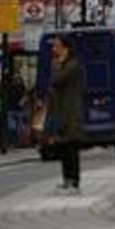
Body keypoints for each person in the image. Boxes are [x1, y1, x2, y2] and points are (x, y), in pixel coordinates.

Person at [46, 35, 85, 193]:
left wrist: (56, 66)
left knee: (71, 148)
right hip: (62, 111)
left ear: (66, 48)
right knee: (63, 148)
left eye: (56, 46)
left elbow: (56, 80)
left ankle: (74, 182)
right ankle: (67, 180)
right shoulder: (63, 65)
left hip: (71, 112)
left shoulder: (72, 66)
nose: (53, 49)